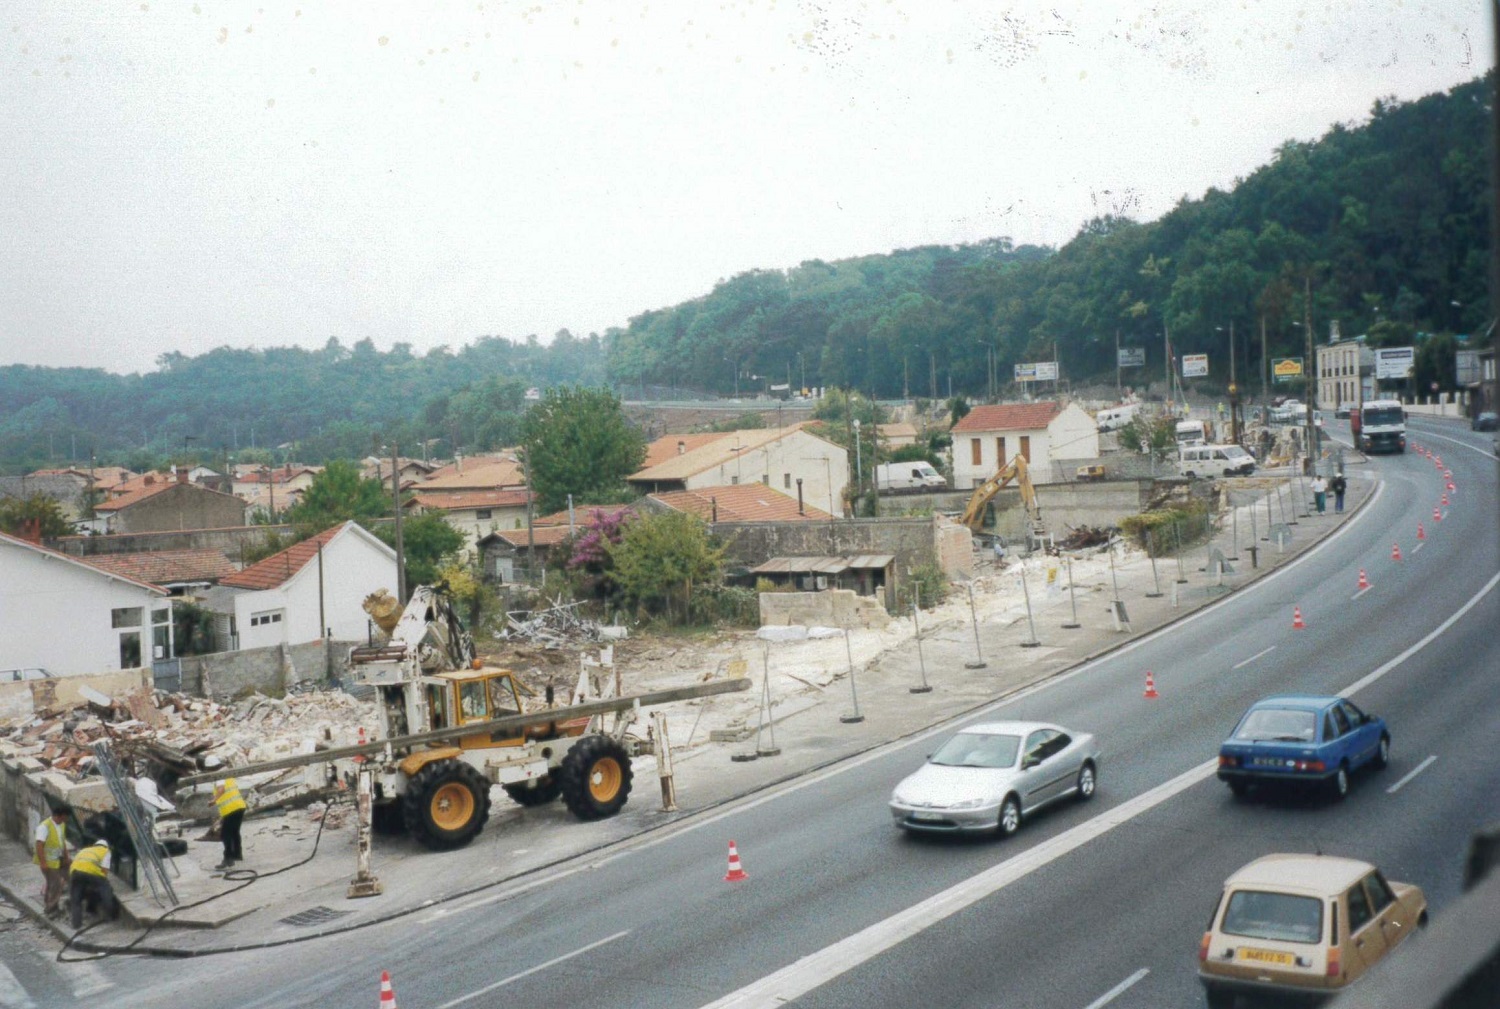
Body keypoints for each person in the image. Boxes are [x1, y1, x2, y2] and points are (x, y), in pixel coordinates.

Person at [33, 802, 71, 918]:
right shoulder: (44, 827)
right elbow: (39, 845)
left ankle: (55, 904)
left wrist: (66, 856)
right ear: (60, 815)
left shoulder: (61, 825)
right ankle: (51, 909)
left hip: (59, 859)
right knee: (55, 884)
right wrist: (43, 863)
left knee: (70, 875)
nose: (67, 818)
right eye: (66, 816)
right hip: (49, 862)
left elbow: (62, 841)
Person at [68, 837, 115, 930]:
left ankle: (76, 924)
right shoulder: (106, 851)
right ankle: (110, 915)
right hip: (92, 872)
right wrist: (102, 883)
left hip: (75, 872)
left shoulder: (85, 850)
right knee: (105, 888)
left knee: (76, 900)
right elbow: (104, 871)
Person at [213, 776, 247, 870]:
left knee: (225, 834)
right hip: (240, 806)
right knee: (234, 831)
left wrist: (213, 801)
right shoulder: (228, 775)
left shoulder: (219, 778)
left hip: (231, 809)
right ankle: (237, 854)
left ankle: (228, 858)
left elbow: (221, 790)